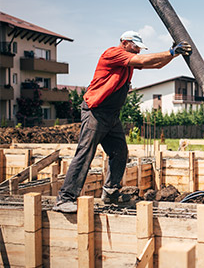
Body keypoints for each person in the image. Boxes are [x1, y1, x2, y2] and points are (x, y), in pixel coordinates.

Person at [53, 31, 191, 213]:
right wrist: (171, 52)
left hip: (111, 116)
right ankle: (65, 198)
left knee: (120, 153)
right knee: (85, 152)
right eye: (135, 47)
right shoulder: (112, 54)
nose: (137, 52)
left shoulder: (128, 63)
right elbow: (144, 61)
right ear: (125, 43)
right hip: (95, 112)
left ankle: (110, 191)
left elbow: (156, 65)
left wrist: (174, 54)